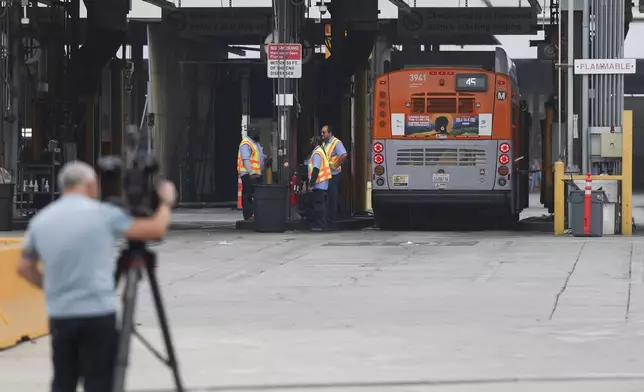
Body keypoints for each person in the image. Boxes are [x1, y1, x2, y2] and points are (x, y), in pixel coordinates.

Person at [16, 161, 177, 392]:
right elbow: (155, 230)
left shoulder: (40, 221)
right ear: (91, 185)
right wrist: (166, 202)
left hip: (61, 315)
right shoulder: (103, 215)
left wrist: (50, 286)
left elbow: (23, 267)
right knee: (99, 383)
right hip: (96, 315)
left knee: (63, 381)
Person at [321, 125, 347, 228]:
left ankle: (331, 222)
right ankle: (327, 221)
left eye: (324, 132)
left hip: (334, 175)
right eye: (322, 132)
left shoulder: (336, 142)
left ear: (330, 133)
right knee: (327, 198)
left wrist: (335, 166)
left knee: (332, 198)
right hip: (326, 175)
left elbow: (344, 155)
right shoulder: (325, 144)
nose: (322, 134)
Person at [237, 128, 264, 220]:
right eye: (257, 132)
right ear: (252, 132)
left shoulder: (254, 143)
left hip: (256, 174)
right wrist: (250, 172)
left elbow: (257, 156)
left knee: (255, 194)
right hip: (248, 174)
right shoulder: (246, 143)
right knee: (248, 194)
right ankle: (248, 215)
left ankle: (255, 214)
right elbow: (245, 159)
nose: (259, 134)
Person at [307, 136, 332, 231]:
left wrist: (311, 183)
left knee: (319, 206)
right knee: (321, 205)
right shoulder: (321, 151)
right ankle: (322, 225)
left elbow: (316, 169)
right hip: (323, 183)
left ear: (315, 143)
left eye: (311, 140)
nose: (310, 142)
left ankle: (320, 226)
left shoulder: (317, 153)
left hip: (319, 184)